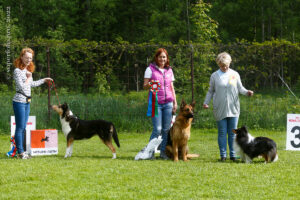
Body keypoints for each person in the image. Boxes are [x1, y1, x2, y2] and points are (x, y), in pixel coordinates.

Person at [203, 52, 253, 162]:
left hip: (233, 108)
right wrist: (206, 102)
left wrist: (247, 92)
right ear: (218, 64)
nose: (224, 67)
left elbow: (241, 89)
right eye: (221, 65)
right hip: (219, 108)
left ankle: (233, 155)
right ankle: (223, 155)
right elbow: (210, 91)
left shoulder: (235, 74)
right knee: (222, 132)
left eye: (226, 65)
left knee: (232, 133)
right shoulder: (214, 76)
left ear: (229, 63)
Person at [13, 47, 53, 159]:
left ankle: (23, 152)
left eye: (30, 58)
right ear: (21, 57)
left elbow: (32, 84)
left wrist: (44, 80)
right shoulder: (17, 71)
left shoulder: (28, 71)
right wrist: (28, 78)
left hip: (27, 102)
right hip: (19, 102)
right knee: (20, 128)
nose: (28, 60)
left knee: (23, 127)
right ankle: (20, 153)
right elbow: (21, 87)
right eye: (26, 57)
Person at [143, 48, 177, 159]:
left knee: (166, 129)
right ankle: (150, 153)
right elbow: (145, 85)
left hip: (168, 103)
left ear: (166, 58)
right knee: (157, 129)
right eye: (160, 57)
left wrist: (175, 102)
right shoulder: (150, 69)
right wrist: (151, 84)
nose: (162, 59)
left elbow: (172, 87)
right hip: (155, 103)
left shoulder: (169, 70)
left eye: (164, 57)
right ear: (156, 58)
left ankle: (163, 153)